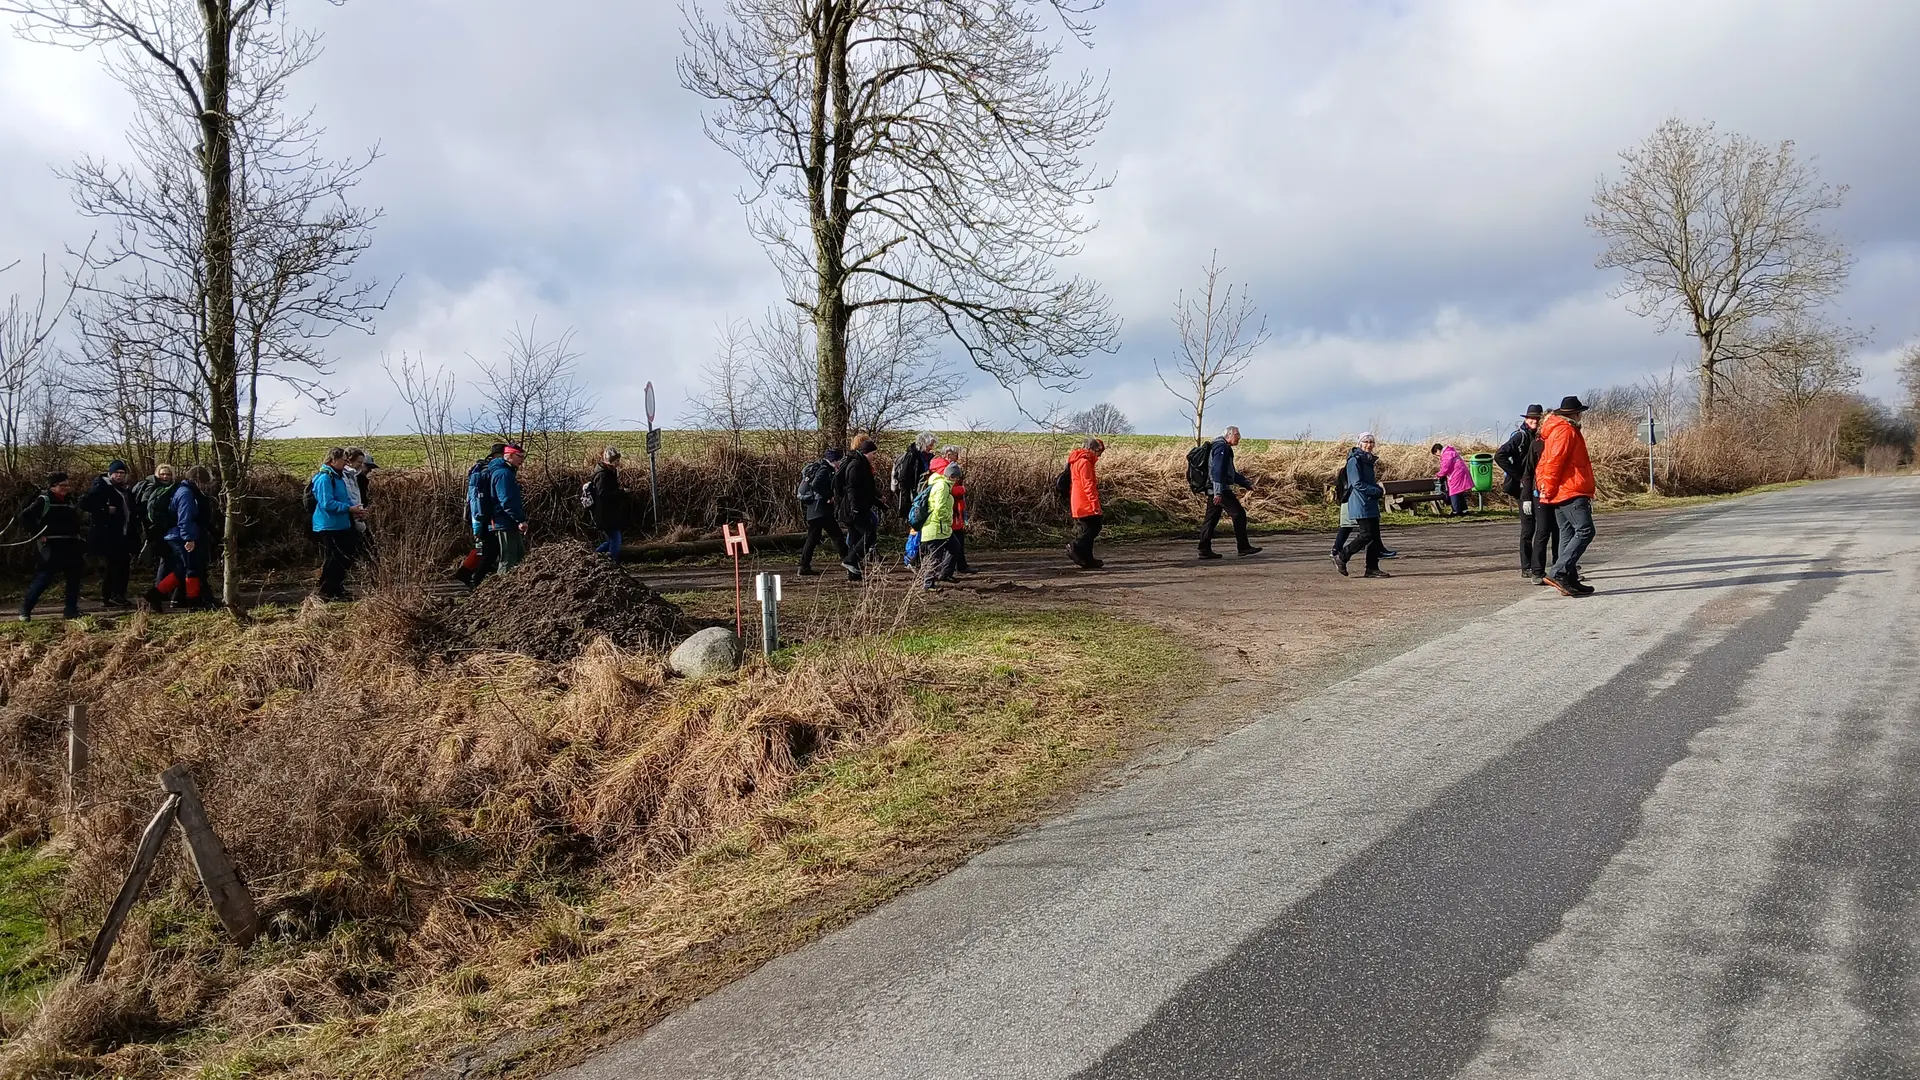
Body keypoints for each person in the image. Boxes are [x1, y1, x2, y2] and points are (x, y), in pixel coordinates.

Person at [1536, 396, 1598, 597]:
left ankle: (1569, 580)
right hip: (1570, 489)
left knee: (1568, 532)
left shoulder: (1558, 429)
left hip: (1563, 490)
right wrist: (1549, 489)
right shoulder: (1566, 430)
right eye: (1580, 413)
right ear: (1575, 414)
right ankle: (1559, 572)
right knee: (1585, 530)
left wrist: (1549, 490)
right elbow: (1554, 462)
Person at [144, 466, 215, 611]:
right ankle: (191, 601)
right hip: (181, 536)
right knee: (191, 568)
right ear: (197, 480)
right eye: (204, 482)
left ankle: (156, 595)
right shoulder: (186, 494)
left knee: (183, 569)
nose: (205, 485)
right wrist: (189, 538)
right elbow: (185, 518)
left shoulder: (185, 491)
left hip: (179, 535)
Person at [17, 472, 85, 621]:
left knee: (74, 578)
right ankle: (25, 610)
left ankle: (71, 610)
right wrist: (37, 533)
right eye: (63, 485)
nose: (66, 488)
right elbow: (24, 517)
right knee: (44, 578)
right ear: (53, 487)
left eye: (67, 485)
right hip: (50, 545)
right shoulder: (44, 500)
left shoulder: (69, 501)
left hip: (70, 544)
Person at [1494, 405, 1547, 582]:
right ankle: (1526, 567)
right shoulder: (1521, 436)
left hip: (1537, 485)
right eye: (1531, 418)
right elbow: (1500, 455)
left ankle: (1539, 565)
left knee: (1542, 527)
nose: (1534, 421)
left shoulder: (1539, 436)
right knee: (1528, 528)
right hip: (1524, 488)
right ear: (1525, 419)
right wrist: (1519, 476)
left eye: (1537, 419)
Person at [80, 460, 139, 608]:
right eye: (116, 473)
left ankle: (117, 595)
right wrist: (105, 509)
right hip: (109, 534)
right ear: (110, 473)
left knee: (123, 566)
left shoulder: (124, 489)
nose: (119, 475)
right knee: (114, 566)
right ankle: (110, 595)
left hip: (123, 532)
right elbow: (84, 503)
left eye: (122, 473)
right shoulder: (101, 486)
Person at [311, 448, 366, 601]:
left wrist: (355, 511)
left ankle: (336, 587)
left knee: (345, 556)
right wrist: (349, 509)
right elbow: (327, 503)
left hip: (341, 524)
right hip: (328, 525)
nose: (346, 463)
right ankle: (327, 590)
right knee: (335, 558)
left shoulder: (338, 478)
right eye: (343, 459)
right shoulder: (324, 479)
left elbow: (344, 498)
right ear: (333, 460)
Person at [1199, 426, 1261, 560]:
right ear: (1229, 435)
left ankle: (1204, 549)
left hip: (1215, 489)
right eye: (1237, 435)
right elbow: (1217, 470)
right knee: (1238, 514)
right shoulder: (1222, 448)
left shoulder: (1220, 446)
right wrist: (1218, 492)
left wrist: (1246, 483)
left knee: (1211, 519)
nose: (1239, 437)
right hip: (1220, 490)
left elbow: (1230, 473)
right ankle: (1243, 547)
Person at [1335, 433, 1390, 579]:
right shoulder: (1355, 460)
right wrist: (1376, 491)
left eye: (1371, 442)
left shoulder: (1368, 460)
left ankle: (1372, 568)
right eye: (1366, 441)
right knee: (1366, 535)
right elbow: (1357, 483)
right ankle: (1342, 556)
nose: (1369, 444)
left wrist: (1375, 491)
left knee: (1373, 536)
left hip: (1370, 501)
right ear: (1360, 443)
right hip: (1360, 502)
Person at [459, 444, 507, 586]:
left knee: (484, 547)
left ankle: (466, 573)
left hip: (475, 513)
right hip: (482, 515)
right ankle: (474, 579)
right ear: (498, 455)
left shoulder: (481, 469)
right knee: (490, 548)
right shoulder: (489, 471)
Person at [835, 434, 881, 580]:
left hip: (855, 507)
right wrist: (855, 508)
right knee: (869, 534)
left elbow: (865, 490)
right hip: (854, 509)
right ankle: (850, 561)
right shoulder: (856, 465)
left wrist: (879, 502)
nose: (874, 456)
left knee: (855, 539)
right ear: (867, 452)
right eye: (873, 454)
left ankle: (853, 573)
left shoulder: (860, 464)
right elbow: (852, 488)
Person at [796, 447, 847, 575]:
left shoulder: (821, 467)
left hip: (814, 509)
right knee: (837, 536)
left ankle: (804, 566)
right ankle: (848, 561)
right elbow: (816, 485)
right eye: (838, 460)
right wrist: (829, 496)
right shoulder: (825, 470)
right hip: (821, 509)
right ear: (833, 460)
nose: (839, 463)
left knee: (813, 538)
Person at [928, 444, 974, 574]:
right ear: (948, 455)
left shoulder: (940, 467)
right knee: (954, 541)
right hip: (950, 510)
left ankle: (958, 566)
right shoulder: (945, 470)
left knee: (956, 540)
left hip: (951, 509)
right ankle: (947, 571)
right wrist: (962, 490)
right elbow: (950, 490)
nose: (958, 457)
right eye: (956, 455)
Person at [487, 443, 529, 573]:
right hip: (503, 522)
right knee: (508, 560)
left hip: (508, 522)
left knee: (520, 558)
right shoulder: (503, 474)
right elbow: (507, 501)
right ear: (509, 455)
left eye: (524, 456)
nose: (522, 460)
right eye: (519, 456)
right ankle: (499, 590)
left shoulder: (505, 472)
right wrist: (520, 520)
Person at [920, 463, 962, 589]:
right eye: (957, 478)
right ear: (953, 477)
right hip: (936, 527)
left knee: (955, 548)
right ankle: (928, 584)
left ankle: (945, 574)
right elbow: (940, 507)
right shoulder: (942, 487)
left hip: (943, 528)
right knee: (935, 556)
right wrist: (948, 520)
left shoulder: (944, 485)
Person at [1065, 436, 1105, 569]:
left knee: (1088, 528)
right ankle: (1076, 546)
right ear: (1093, 450)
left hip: (1077, 499)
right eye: (1099, 452)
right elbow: (1089, 485)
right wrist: (1095, 505)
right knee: (1094, 527)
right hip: (1085, 501)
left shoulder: (1075, 461)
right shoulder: (1085, 462)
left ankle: (1087, 559)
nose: (1099, 456)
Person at [130, 463, 175, 566]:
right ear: (157, 475)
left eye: (168, 474)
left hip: (163, 527)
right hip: (154, 527)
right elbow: (145, 507)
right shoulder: (152, 487)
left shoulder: (170, 488)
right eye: (162, 474)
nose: (165, 477)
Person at [587, 446, 625, 557]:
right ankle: (613, 564)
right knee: (616, 539)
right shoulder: (602, 476)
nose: (618, 463)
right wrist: (621, 492)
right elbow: (603, 495)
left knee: (612, 540)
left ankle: (592, 558)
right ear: (610, 461)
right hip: (605, 514)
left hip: (609, 513)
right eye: (616, 460)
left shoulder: (609, 472)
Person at [891, 432, 937, 523]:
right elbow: (904, 477)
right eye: (930, 445)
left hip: (924, 490)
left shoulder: (930, 457)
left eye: (932, 445)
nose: (931, 448)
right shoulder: (912, 456)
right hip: (913, 492)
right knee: (914, 517)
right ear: (923, 443)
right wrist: (907, 498)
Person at [1432, 443, 1474, 515]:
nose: (1438, 456)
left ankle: (1456, 511)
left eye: (1437, 454)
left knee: (1454, 492)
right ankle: (1464, 510)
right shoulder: (1451, 452)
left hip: (1456, 474)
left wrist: (1438, 475)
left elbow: (1446, 467)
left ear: (1438, 451)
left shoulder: (1446, 454)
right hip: (1461, 472)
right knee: (1459, 492)